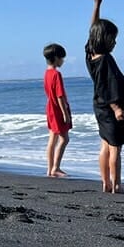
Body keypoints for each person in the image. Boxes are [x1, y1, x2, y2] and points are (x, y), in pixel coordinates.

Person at [85, 0, 124, 194]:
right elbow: (107, 87)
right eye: (113, 39)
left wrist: (97, 6)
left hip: (99, 105)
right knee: (116, 147)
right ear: (105, 39)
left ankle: (106, 183)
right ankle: (116, 185)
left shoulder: (90, 55)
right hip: (110, 107)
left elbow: (93, 29)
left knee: (105, 144)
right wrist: (117, 108)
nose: (115, 43)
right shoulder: (105, 60)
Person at [43, 43, 72, 178]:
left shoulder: (47, 73)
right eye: (61, 58)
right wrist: (65, 113)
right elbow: (59, 96)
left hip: (50, 107)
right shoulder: (56, 74)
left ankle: (50, 169)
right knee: (64, 139)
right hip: (57, 109)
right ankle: (56, 167)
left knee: (52, 139)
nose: (63, 61)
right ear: (56, 58)